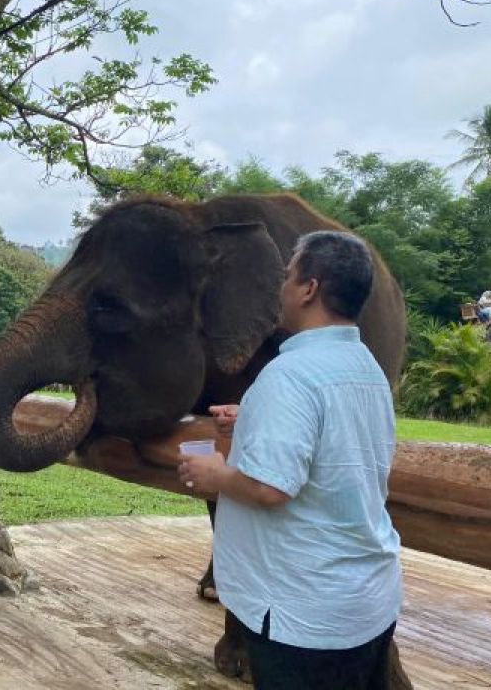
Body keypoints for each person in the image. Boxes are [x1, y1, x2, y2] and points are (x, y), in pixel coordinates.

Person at [179, 231, 402, 690]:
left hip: (302, 616)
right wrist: (256, 420)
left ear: (308, 289)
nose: (280, 288)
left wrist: (215, 474)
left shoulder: (290, 376)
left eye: (287, 275)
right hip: (368, 601)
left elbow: (270, 488)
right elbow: (333, 441)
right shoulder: (365, 369)